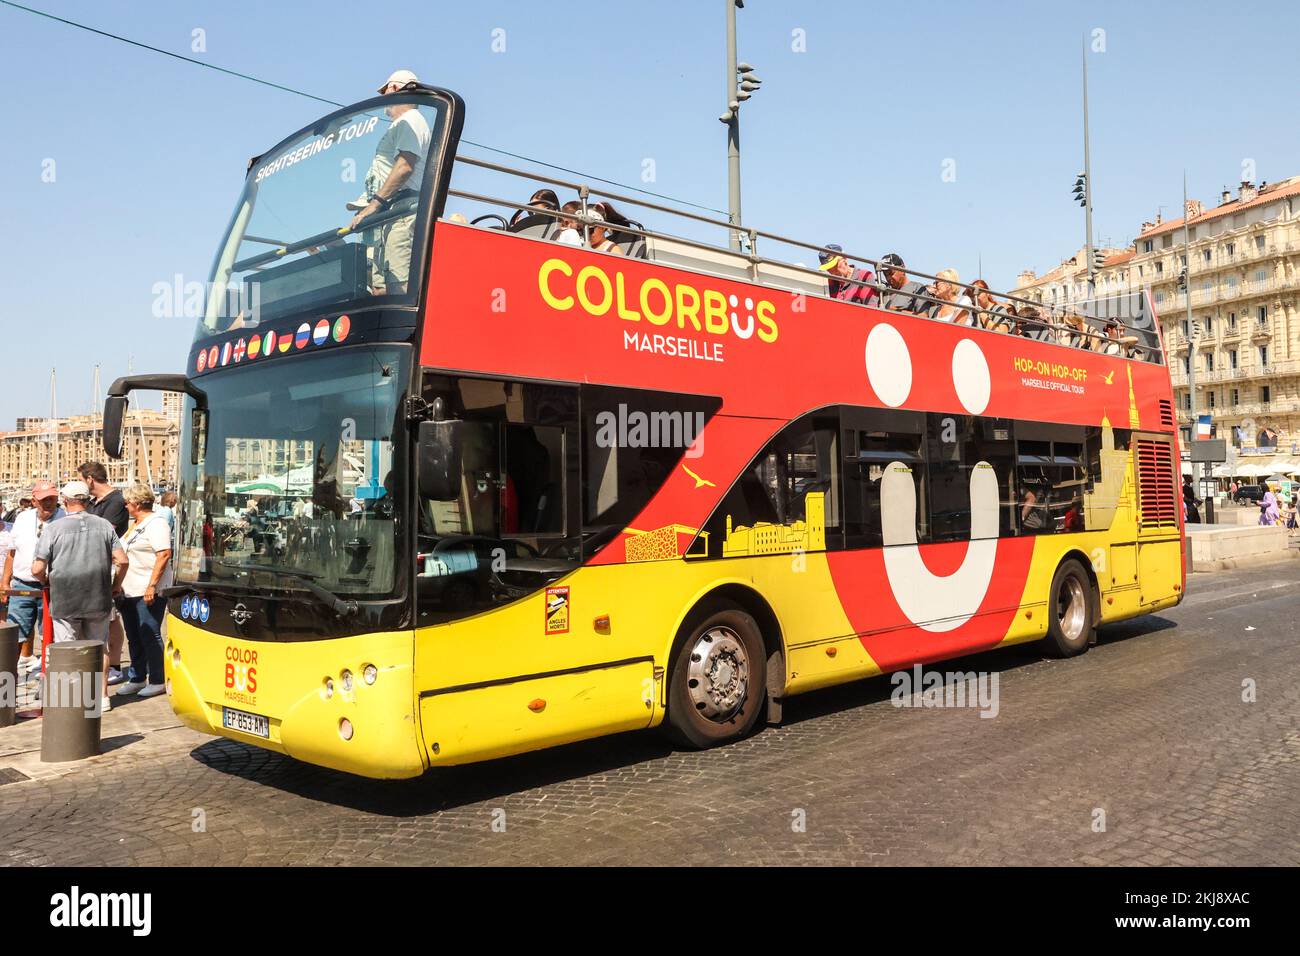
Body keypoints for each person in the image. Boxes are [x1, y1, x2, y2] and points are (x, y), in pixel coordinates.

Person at [30, 481, 128, 700]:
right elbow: (122, 561)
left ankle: (73, 699)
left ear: (65, 502)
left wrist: (47, 581)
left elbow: (37, 568)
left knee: (68, 648)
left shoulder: (54, 528)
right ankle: (102, 696)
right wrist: (115, 585)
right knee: (99, 647)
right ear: (87, 501)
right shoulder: (104, 526)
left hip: (65, 596)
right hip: (98, 595)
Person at [347, 69, 433, 294]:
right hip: (390, 211)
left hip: (401, 210)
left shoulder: (410, 120)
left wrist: (372, 206)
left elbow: (405, 166)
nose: (384, 97)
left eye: (385, 90)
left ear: (395, 88)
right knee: (380, 287)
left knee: (399, 283)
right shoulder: (403, 123)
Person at [114, 484, 174, 699]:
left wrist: (152, 585)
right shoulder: (135, 524)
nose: (126, 506)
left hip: (147, 589)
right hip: (129, 589)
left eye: (128, 503)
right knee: (134, 635)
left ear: (137, 504)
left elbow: (164, 554)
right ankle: (137, 676)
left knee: (150, 633)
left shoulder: (156, 524)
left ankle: (157, 679)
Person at [0, 481, 64, 667]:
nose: (49, 503)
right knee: (15, 634)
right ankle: (8, 678)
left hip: (52, 586)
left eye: (52, 499)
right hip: (22, 584)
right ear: (34, 501)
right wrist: (5, 583)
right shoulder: (23, 519)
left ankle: (48, 675)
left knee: (50, 635)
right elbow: (13, 552)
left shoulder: (64, 518)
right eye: (44, 499)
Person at [80, 462, 130, 685]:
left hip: (108, 567)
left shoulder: (117, 501)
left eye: (81, 480)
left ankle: (116, 665)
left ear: (90, 479)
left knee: (111, 619)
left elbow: (101, 531)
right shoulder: (93, 502)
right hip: (90, 568)